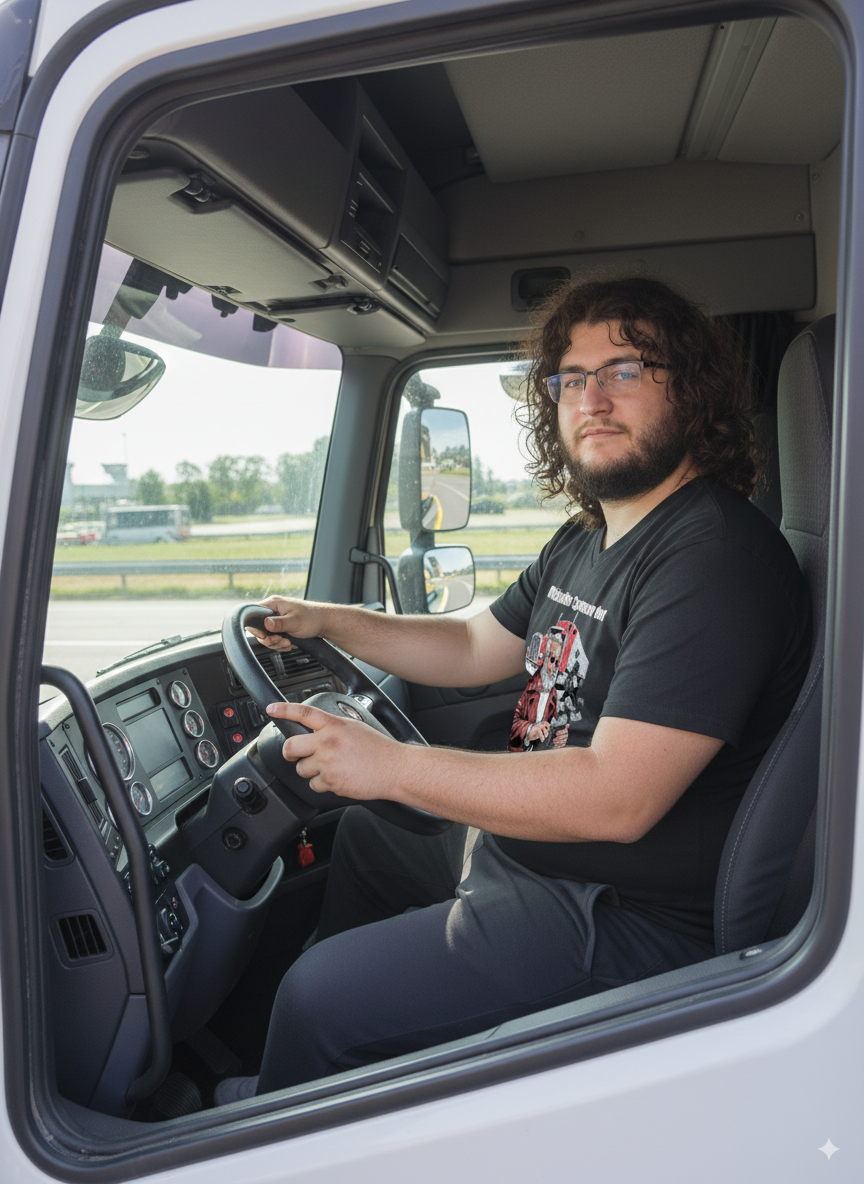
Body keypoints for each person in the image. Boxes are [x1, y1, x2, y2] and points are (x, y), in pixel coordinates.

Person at [218, 276, 811, 1102]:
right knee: (367, 838)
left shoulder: (712, 561)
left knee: (318, 997)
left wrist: (389, 767)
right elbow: (472, 643)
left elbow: (615, 798)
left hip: (623, 910)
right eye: (571, 378)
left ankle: (299, 1096)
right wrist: (332, 621)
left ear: (693, 388)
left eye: (627, 369)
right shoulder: (591, 533)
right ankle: (345, 1085)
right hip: (531, 855)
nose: (592, 398)